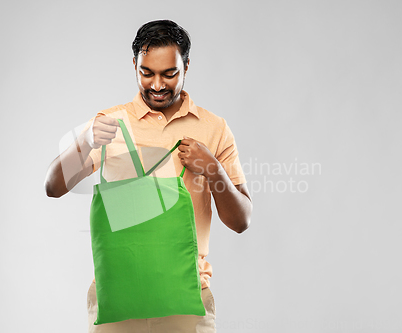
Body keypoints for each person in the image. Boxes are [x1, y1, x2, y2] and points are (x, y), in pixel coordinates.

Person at [45, 19, 253, 333]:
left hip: (187, 300)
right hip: (115, 299)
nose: (157, 85)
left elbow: (241, 221)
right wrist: (85, 140)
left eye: (169, 74)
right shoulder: (110, 123)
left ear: (186, 66)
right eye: (147, 73)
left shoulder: (214, 128)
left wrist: (213, 169)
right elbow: (53, 186)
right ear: (134, 65)